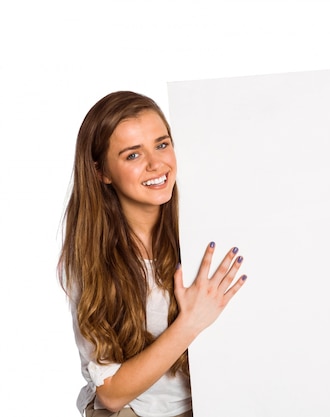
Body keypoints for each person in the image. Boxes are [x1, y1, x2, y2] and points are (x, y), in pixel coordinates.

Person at [58, 91, 248, 417]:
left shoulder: (205, 230)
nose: (156, 164)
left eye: (162, 145)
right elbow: (112, 395)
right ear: (102, 172)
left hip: (211, 403)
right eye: (133, 155)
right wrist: (190, 323)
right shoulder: (89, 258)